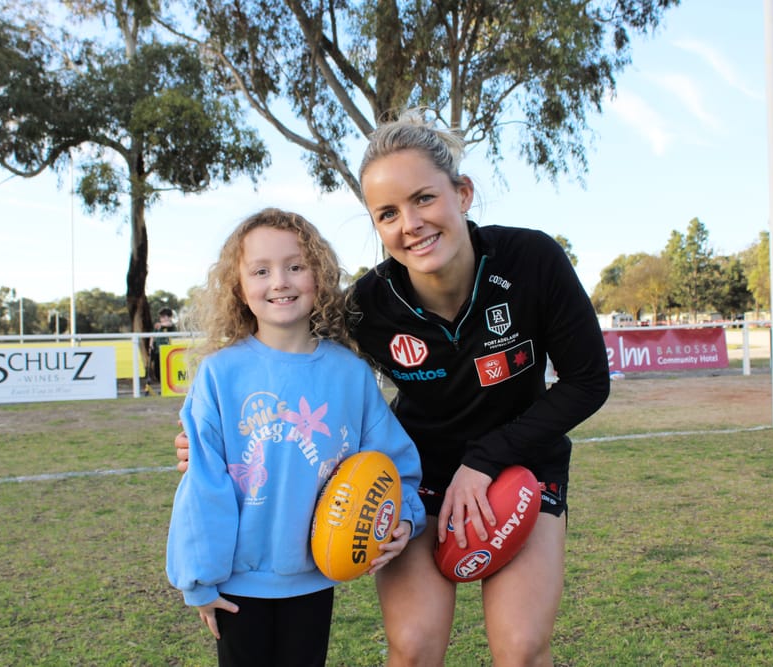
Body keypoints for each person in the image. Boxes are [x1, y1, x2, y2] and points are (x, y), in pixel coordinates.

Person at [176, 110, 611, 666]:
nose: (411, 223)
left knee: (522, 649)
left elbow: (587, 381)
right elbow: (288, 363)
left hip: (521, 465)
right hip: (418, 481)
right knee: (412, 647)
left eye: (424, 199)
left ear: (463, 192)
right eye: (387, 213)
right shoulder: (366, 307)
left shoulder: (532, 261)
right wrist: (213, 439)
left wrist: (486, 459)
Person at [166, 208, 426, 667]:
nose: (280, 281)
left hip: (315, 576)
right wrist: (199, 580)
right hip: (237, 585)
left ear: (319, 277)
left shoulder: (350, 374)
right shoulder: (220, 374)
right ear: (239, 288)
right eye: (261, 271)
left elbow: (393, 462)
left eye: (295, 266)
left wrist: (402, 518)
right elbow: (204, 483)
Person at [148, 307, 176, 384]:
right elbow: (152, 335)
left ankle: (166, 385)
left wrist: (161, 324)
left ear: (170, 317)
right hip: (157, 351)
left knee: (166, 370)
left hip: (167, 352)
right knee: (157, 370)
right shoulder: (158, 327)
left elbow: (169, 324)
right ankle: (162, 384)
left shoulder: (170, 326)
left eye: (164, 317)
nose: (162, 319)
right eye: (161, 317)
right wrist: (151, 345)